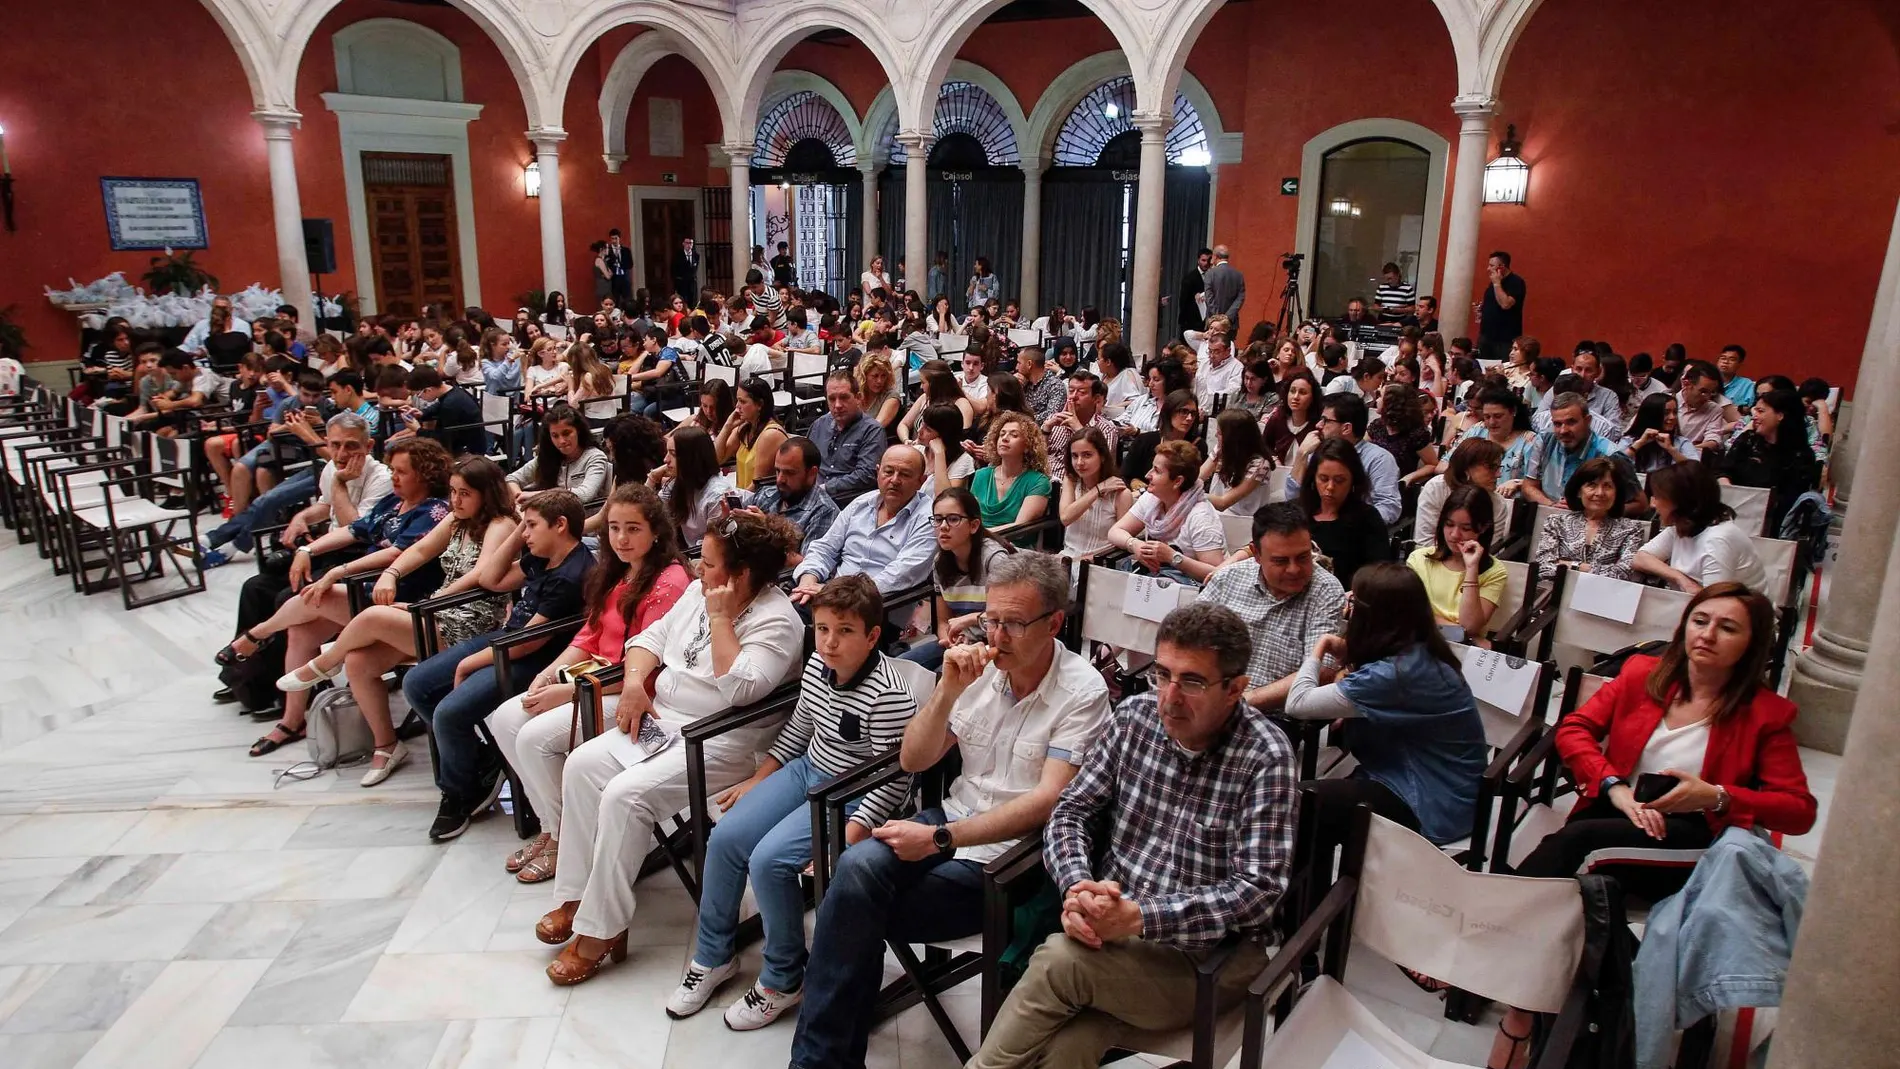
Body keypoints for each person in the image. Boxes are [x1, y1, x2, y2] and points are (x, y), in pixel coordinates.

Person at [789, 551, 1111, 1065]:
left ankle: (819, 1061)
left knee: (849, 911)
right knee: (853, 872)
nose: (997, 636)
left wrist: (939, 839)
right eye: (991, 619)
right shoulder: (980, 669)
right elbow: (914, 760)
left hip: (1011, 860)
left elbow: (1049, 801)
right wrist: (946, 691)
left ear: (1054, 623)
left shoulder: (1082, 691)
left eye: (1013, 624)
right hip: (950, 820)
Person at [1491, 584, 1815, 1068]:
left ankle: (1489, 956)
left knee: (1579, 849)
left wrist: (1718, 795)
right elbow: (1575, 731)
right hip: (1620, 818)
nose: (1707, 634)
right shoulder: (1644, 674)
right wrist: (1615, 787)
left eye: (1728, 628)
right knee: (1582, 881)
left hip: (1693, 842)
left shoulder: (1765, 713)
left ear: (1752, 644)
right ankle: (1530, 1002)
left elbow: (1799, 809)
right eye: (1700, 620)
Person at [968, 603, 1298, 1069]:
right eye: (1162, 674)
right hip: (1120, 943)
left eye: (1193, 681)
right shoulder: (1135, 718)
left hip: (1212, 960)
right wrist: (1078, 887)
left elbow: (1259, 892)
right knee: (1067, 1049)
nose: (1170, 696)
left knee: (1062, 961)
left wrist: (1140, 916)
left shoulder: (1266, 755)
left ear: (1236, 690)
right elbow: (1071, 810)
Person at [539, 511, 804, 984]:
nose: (698, 570)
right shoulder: (698, 591)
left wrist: (722, 620)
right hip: (666, 720)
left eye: (710, 563)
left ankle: (603, 928)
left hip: (725, 738)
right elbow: (650, 638)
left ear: (741, 574)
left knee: (625, 796)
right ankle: (579, 896)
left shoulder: (777, 620)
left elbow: (742, 691)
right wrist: (638, 681)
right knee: (580, 765)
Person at [668, 575, 922, 1027]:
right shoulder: (816, 668)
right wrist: (760, 779)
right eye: (822, 629)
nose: (829, 642)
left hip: (850, 790)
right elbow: (800, 731)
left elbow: (894, 779)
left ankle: (784, 977)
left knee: (769, 861)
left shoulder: (890, 696)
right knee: (726, 837)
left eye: (844, 631)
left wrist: (851, 832)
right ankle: (713, 956)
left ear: (872, 635)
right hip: (807, 770)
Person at [487, 484, 692, 885]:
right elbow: (589, 633)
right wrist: (551, 672)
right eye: (614, 528)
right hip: (595, 678)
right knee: (506, 717)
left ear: (656, 531)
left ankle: (566, 841)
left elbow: (648, 667)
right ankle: (553, 829)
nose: (621, 538)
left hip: (635, 695)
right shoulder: (615, 572)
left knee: (533, 737)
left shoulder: (668, 581)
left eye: (633, 529)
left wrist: (567, 692)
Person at [274, 456, 518, 785]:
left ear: (485, 494)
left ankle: (326, 662)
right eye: (453, 492)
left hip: (471, 623)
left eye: (464, 494)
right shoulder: (457, 519)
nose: (456, 500)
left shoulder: (500, 522)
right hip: (438, 613)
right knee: (360, 661)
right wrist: (391, 573)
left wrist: (433, 601)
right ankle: (387, 746)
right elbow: (420, 551)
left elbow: (481, 573)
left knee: (373, 615)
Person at [234, 438, 454, 757]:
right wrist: (309, 549)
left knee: (317, 595)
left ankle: (259, 634)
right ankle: (292, 719)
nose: (393, 476)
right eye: (392, 469)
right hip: (368, 587)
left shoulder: (434, 510)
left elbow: (401, 552)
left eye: (401, 472)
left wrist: (338, 571)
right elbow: (355, 530)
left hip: (402, 594)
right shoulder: (393, 503)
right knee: (300, 629)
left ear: (424, 474)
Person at [405, 490, 595, 840]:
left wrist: (466, 665)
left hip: (531, 657)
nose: (525, 534)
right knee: (416, 683)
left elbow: (529, 643)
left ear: (561, 526)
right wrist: (520, 529)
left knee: (448, 714)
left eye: (532, 526)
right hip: (505, 639)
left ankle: (462, 792)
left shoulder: (572, 572)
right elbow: (491, 579)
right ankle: (481, 762)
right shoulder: (543, 554)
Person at [1284, 562, 1488, 845]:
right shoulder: (1421, 648)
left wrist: (1318, 649)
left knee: (1295, 804)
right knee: (1310, 809)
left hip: (1430, 799)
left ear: (1373, 616)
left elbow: (1297, 703)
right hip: (1438, 783)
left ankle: (1313, 887)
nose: (1347, 606)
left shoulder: (1396, 675)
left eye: (1352, 600)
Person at [1196, 503, 1346, 711]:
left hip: (1271, 714)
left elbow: (1321, 670)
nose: (1294, 569)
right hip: (1208, 697)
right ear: (1257, 555)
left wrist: (1241, 703)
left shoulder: (1325, 591)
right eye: (1281, 561)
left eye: (1303, 557)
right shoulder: (1228, 578)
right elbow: (1187, 638)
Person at [792, 445, 935, 603]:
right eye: (888, 472)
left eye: (905, 474)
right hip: (829, 596)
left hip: (879, 606)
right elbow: (825, 548)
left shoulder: (928, 517)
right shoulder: (861, 503)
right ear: (878, 472)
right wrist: (808, 580)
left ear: (921, 481)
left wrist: (836, 592)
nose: (894, 480)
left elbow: (902, 574)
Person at [899, 487, 1015, 670]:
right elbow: (944, 621)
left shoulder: (994, 559)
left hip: (996, 643)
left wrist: (970, 620)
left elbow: (1010, 617)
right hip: (961, 642)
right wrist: (949, 640)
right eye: (938, 520)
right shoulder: (939, 562)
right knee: (903, 667)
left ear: (974, 525)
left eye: (953, 519)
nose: (943, 526)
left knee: (942, 676)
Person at [1635, 461, 1767, 592]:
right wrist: (1680, 578)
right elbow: (1640, 558)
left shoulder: (1718, 540)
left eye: (1658, 497)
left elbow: (1713, 602)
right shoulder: (1681, 526)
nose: (1652, 504)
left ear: (1681, 502)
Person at [1107, 440, 1226, 585]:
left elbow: (1217, 573)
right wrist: (1135, 544)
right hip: (1158, 583)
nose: (1147, 475)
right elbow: (1114, 532)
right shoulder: (1152, 498)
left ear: (1177, 481)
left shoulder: (1201, 517)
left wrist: (1173, 557)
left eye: (1156, 471)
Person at [1286, 393, 1402, 525]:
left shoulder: (1379, 459)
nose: (1318, 425)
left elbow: (1389, 508)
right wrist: (1301, 455)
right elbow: (1293, 499)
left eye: (1326, 420)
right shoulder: (1318, 452)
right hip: (1314, 527)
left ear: (1346, 428)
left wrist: (1345, 523)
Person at [1406, 485, 1507, 638]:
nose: (1454, 535)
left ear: (1483, 528)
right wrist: (1456, 631)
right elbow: (1409, 615)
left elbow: (1470, 627)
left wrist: (1472, 568)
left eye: (1465, 528)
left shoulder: (1495, 572)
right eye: (1449, 524)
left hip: (1460, 650)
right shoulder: (1419, 559)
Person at [1715, 389, 1821, 534]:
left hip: (1772, 523)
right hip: (1731, 511)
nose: (1754, 417)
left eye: (1760, 411)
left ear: (1780, 415)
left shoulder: (1801, 455)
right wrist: (1731, 492)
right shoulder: (1747, 440)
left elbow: (1790, 500)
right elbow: (1723, 471)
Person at [1533, 456, 1649, 584]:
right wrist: (1593, 569)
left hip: (1605, 597)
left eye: (1607, 486)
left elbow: (1623, 573)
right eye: (1592, 485)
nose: (1599, 493)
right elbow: (1543, 568)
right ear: (1578, 491)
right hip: (1556, 594)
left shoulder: (1631, 529)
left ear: (1616, 493)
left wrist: (1571, 565)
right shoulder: (1556, 522)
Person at [1298, 438, 1392, 588]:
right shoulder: (1296, 511)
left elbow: (1379, 574)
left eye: (1339, 480)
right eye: (1323, 479)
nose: (1330, 487)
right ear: (1313, 478)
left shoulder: (1367, 519)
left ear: (1353, 481)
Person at [1516, 393, 1628, 508]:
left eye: (1571, 422)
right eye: (1557, 424)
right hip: (1548, 513)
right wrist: (1553, 506)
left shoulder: (1610, 454)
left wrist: (1587, 508)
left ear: (1588, 421)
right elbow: (1529, 487)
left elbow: (1638, 505)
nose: (1563, 430)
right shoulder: (1544, 441)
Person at [743, 436, 841, 557]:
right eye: (778, 471)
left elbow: (808, 565)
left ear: (812, 473)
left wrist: (767, 530)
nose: (780, 480)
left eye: (790, 473)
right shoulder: (766, 494)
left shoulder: (824, 512)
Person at [1414, 437, 1509, 549]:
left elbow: (1487, 549)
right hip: (1431, 558)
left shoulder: (1498, 504)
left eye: (1499, 467)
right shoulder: (1436, 489)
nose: (1499, 474)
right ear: (1467, 468)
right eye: (1492, 467)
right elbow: (1424, 541)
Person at [811, 369, 889, 502]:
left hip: (847, 501)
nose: (837, 405)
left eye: (844, 397)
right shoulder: (819, 425)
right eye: (832, 399)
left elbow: (866, 476)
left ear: (858, 397)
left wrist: (825, 488)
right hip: (812, 496)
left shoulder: (872, 430)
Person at [650, 424, 733, 548]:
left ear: (690, 458)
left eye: (673, 454)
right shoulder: (679, 482)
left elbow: (715, 545)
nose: (665, 460)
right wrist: (652, 478)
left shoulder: (718, 495)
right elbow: (649, 512)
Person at [508, 405, 612, 503]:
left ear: (579, 431)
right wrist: (519, 496)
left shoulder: (595, 457)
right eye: (555, 436)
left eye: (566, 433)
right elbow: (511, 479)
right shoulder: (547, 457)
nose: (561, 441)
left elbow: (585, 494)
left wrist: (536, 496)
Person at [1058, 428, 1132, 560]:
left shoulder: (1121, 494)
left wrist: (1083, 560)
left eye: (1087, 455)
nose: (1079, 462)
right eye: (1075, 456)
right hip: (1068, 557)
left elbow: (1121, 544)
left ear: (1102, 456)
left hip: (1102, 562)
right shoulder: (1071, 480)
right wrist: (1098, 490)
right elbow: (1065, 518)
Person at [971, 412, 1054, 529]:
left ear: (1027, 446)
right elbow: (970, 517)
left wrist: (979, 536)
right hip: (979, 541)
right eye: (1002, 434)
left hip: (1013, 543)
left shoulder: (1038, 481)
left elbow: (1019, 527)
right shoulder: (982, 475)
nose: (1005, 438)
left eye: (1014, 435)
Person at [1041, 372, 1118, 484]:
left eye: (1081, 392)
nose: (1073, 396)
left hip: (1079, 487)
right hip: (1043, 483)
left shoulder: (1107, 429)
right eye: (1071, 391)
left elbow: (1104, 467)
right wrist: (1046, 430)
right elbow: (1035, 457)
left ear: (1096, 398)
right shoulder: (1054, 419)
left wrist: (1079, 429)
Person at [715, 377, 787, 492]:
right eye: (737, 400)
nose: (737, 407)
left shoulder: (770, 435)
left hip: (758, 502)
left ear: (759, 405)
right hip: (744, 496)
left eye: (742, 402)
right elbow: (717, 459)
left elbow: (756, 485)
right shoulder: (744, 427)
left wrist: (736, 504)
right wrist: (728, 426)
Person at [1203, 408, 1278, 516]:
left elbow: (1223, 503)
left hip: (1242, 521)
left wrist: (1195, 494)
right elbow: (1199, 476)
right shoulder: (1221, 449)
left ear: (1234, 438)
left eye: (1219, 433)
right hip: (1214, 514)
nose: (1215, 436)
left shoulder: (1260, 465)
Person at [1370, 382, 1440, 480]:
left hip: (1398, 484)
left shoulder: (1416, 433)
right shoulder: (1377, 425)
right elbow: (1362, 449)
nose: (1377, 400)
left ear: (1391, 403)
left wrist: (1409, 478)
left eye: (1380, 396)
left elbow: (1432, 464)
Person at [1621, 393, 1700, 473]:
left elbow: (1695, 471)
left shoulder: (1682, 443)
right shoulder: (1629, 441)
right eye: (1666, 413)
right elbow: (1614, 466)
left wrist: (1671, 449)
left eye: (1675, 412)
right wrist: (1639, 444)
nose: (1672, 417)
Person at [1674, 362, 1741, 451]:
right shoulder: (1667, 401)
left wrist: (1686, 451)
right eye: (1703, 391)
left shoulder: (1714, 410)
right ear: (1686, 384)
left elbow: (1713, 440)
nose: (1707, 397)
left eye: (1712, 392)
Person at [1475, 251, 1526, 364]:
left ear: (1502, 267)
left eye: (1492, 266)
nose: (1488, 269)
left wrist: (1497, 284)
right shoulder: (1492, 283)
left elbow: (1505, 304)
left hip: (1504, 339)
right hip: (1486, 336)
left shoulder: (1516, 282)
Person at [1261, 370, 1321, 461]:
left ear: (1313, 398)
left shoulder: (1318, 425)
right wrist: (1273, 459)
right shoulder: (1277, 419)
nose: (1296, 397)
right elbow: (1264, 446)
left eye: (1303, 392)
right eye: (1292, 391)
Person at [180, 295, 252, 357]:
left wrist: (205, 352)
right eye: (217, 308)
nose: (220, 311)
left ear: (231, 309)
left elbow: (241, 348)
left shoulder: (242, 325)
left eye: (224, 308)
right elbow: (188, 345)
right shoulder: (201, 324)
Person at [1193, 331, 1243, 411]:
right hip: (1197, 408)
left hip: (1220, 412)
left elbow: (1232, 393)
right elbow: (1196, 388)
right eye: (1210, 351)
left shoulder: (1237, 367)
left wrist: (1206, 397)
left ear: (1228, 351)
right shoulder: (1204, 364)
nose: (1212, 355)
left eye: (1216, 352)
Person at [1201, 244, 1246, 323]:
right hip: (1231, 322)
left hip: (1213, 323)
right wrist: (1227, 317)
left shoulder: (1210, 273)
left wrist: (1218, 318)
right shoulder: (1238, 275)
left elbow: (1209, 298)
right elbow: (1240, 298)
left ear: (1215, 256)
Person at [1176, 247, 1211, 336]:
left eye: (1208, 260)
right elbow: (1183, 301)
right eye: (1203, 260)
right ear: (1198, 260)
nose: (1206, 263)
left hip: (1208, 321)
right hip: (1192, 321)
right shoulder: (1190, 278)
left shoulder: (1213, 276)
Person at [670, 236, 700, 305]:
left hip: (692, 283)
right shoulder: (677, 255)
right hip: (681, 283)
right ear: (683, 244)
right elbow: (673, 269)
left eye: (691, 243)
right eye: (687, 243)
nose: (689, 245)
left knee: (692, 301)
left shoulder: (696, 255)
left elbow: (695, 269)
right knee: (682, 300)